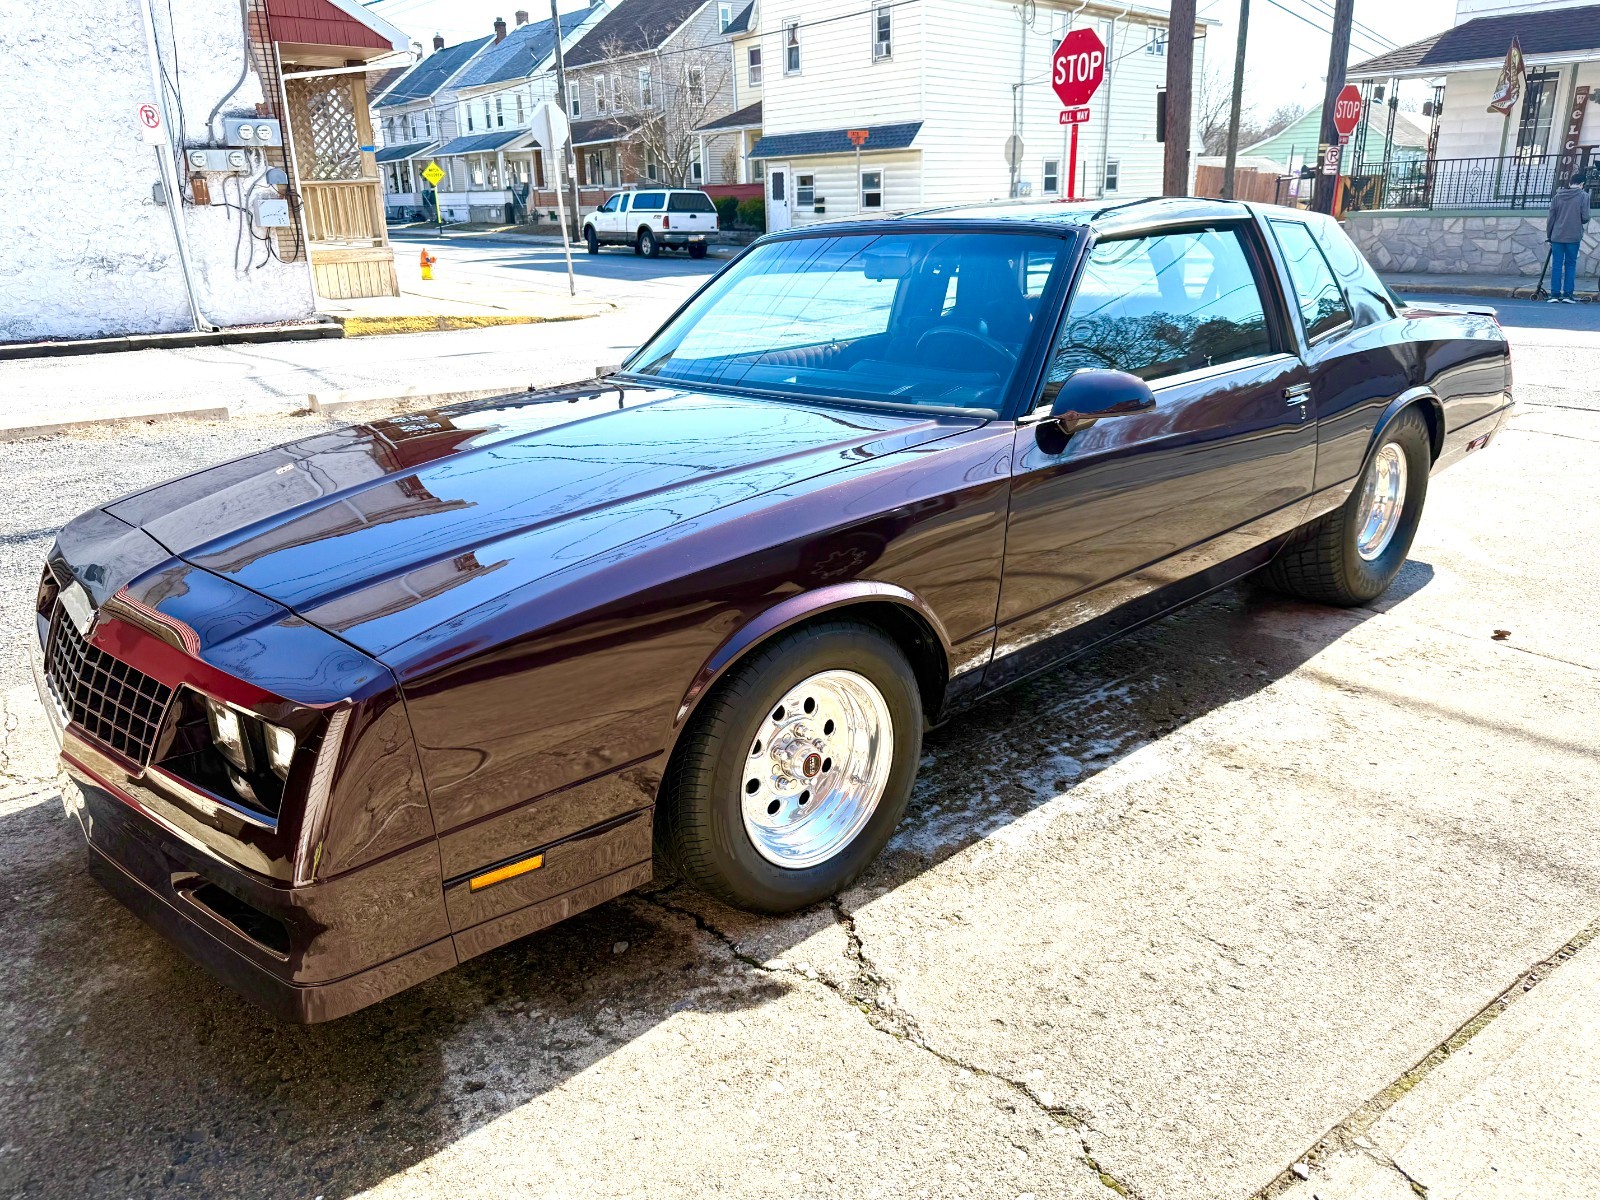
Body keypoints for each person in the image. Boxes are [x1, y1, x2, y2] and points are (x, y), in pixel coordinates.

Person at [1546, 172, 1592, 303]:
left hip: (1557, 236)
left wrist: (1549, 235)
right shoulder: (1584, 196)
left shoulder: (1557, 196)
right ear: (1582, 184)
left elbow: (1551, 219)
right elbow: (1585, 217)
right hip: (1573, 235)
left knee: (1556, 264)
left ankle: (1554, 295)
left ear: (1570, 182)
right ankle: (1567, 295)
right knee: (1570, 264)